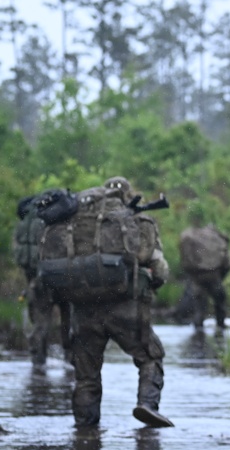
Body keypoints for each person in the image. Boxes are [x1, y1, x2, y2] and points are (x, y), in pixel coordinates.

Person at [66, 176, 174, 429]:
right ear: (128, 195)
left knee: (86, 376)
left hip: (83, 310)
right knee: (151, 356)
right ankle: (147, 405)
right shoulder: (139, 222)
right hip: (126, 308)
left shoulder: (80, 224)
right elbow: (159, 270)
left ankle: (84, 430)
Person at [12, 192, 71, 367]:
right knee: (68, 320)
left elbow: (19, 255)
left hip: (36, 282)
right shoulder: (60, 223)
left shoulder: (23, 227)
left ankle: (38, 364)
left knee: (40, 324)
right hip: (64, 279)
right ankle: (70, 361)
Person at [178, 216, 230, 330]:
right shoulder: (218, 239)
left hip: (196, 276)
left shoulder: (193, 237)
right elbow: (227, 264)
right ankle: (220, 327)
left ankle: (198, 331)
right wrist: (221, 275)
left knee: (199, 306)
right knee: (220, 303)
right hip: (214, 276)